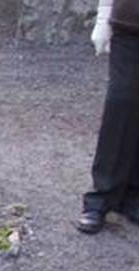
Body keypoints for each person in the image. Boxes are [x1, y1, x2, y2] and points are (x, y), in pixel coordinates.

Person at [78, 0, 139, 233]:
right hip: (129, 27)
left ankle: (133, 196)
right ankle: (100, 198)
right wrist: (103, 20)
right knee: (121, 103)